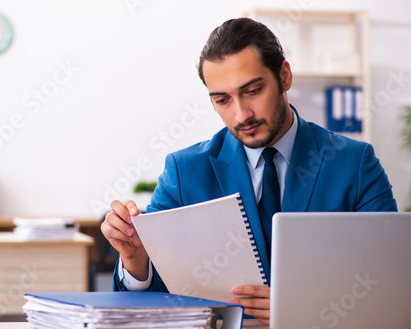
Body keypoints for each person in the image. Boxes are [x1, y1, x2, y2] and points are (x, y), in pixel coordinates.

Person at [100, 17, 397, 325]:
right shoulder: (184, 172)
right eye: (223, 100)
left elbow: (392, 279)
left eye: (253, 90)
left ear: (284, 75)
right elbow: (153, 308)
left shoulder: (354, 163)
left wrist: (304, 308)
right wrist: (136, 261)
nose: (242, 115)